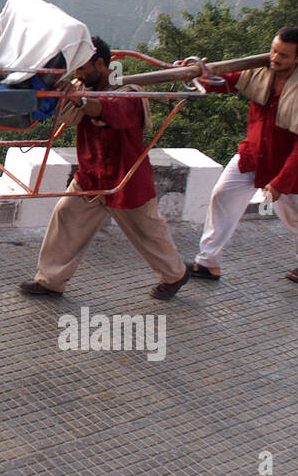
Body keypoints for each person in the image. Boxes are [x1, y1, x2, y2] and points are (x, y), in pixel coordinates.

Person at [19, 36, 189, 301]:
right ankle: (50, 280)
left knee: (148, 233)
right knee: (66, 216)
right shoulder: (82, 86)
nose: (79, 74)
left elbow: (109, 110)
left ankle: (175, 275)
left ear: (101, 63)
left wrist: (80, 100)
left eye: (83, 68)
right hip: (91, 174)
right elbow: (68, 109)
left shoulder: (131, 92)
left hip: (126, 178)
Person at [189, 26, 298, 283]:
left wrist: (280, 182)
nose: (275, 58)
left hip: (286, 164)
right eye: (274, 51)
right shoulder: (260, 72)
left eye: (284, 55)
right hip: (252, 155)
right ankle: (208, 262)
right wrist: (201, 74)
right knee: (222, 196)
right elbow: (227, 82)